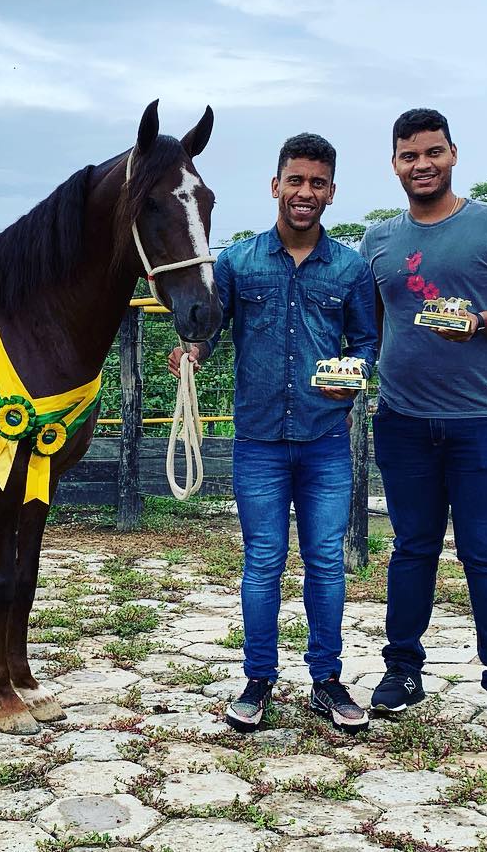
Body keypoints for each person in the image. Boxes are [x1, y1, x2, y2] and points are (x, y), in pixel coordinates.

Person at [169, 133, 377, 734]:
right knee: (262, 561)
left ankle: (327, 680)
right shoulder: (236, 262)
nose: (304, 192)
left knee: (326, 563)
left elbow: (365, 344)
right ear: (275, 186)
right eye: (295, 180)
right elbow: (209, 327)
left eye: (317, 183)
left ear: (331, 192)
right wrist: (193, 354)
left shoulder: (351, 268)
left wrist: (355, 376)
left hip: (325, 441)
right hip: (258, 441)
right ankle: (258, 679)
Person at [359, 108, 487, 730]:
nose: (423, 165)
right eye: (410, 156)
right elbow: (372, 324)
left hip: (484, 422)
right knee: (411, 549)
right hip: (403, 420)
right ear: (394, 164)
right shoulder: (379, 240)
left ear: (453, 154)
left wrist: (480, 322)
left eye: (433, 152)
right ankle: (402, 670)